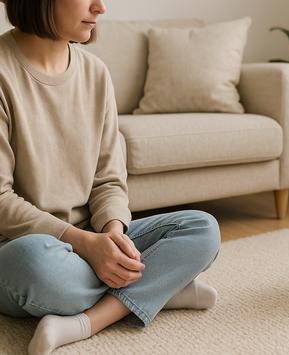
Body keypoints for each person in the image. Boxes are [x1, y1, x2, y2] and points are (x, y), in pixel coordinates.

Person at [0, 0, 221, 354]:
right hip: (21, 248)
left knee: (203, 229)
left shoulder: (95, 72)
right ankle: (159, 288)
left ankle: (88, 321)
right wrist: (87, 246)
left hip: (94, 236)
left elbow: (109, 179)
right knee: (36, 264)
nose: (100, 7)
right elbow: (0, 201)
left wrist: (112, 236)